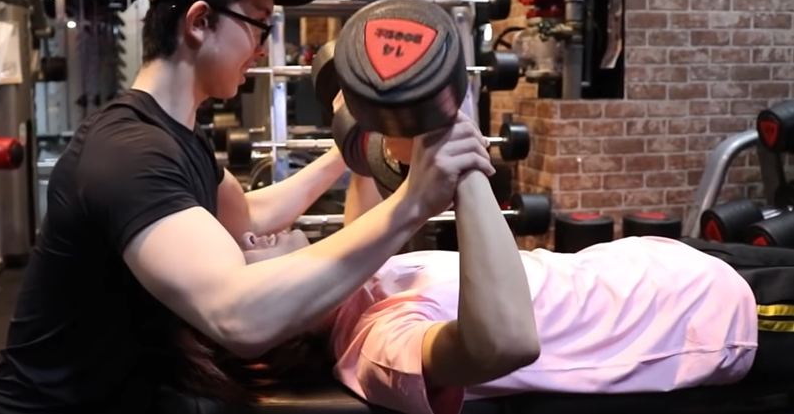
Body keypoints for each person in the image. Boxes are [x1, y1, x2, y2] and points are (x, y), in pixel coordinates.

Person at [0, 0, 496, 414]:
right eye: (259, 25)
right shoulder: (130, 153)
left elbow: (246, 213)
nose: (263, 47)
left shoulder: (178, 136)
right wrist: (412, 203)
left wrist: (349, 148)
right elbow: (238, 315)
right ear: (200, 22)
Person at [234, 138, 794, 414]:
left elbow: (365, 232)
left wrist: (357, 141)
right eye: (242, 258)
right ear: (274, 318)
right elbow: (502, 344)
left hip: (672, 263)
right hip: (708, 317)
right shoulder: (377, 343)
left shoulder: (356, 291)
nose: (252, 236)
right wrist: (462, 170)